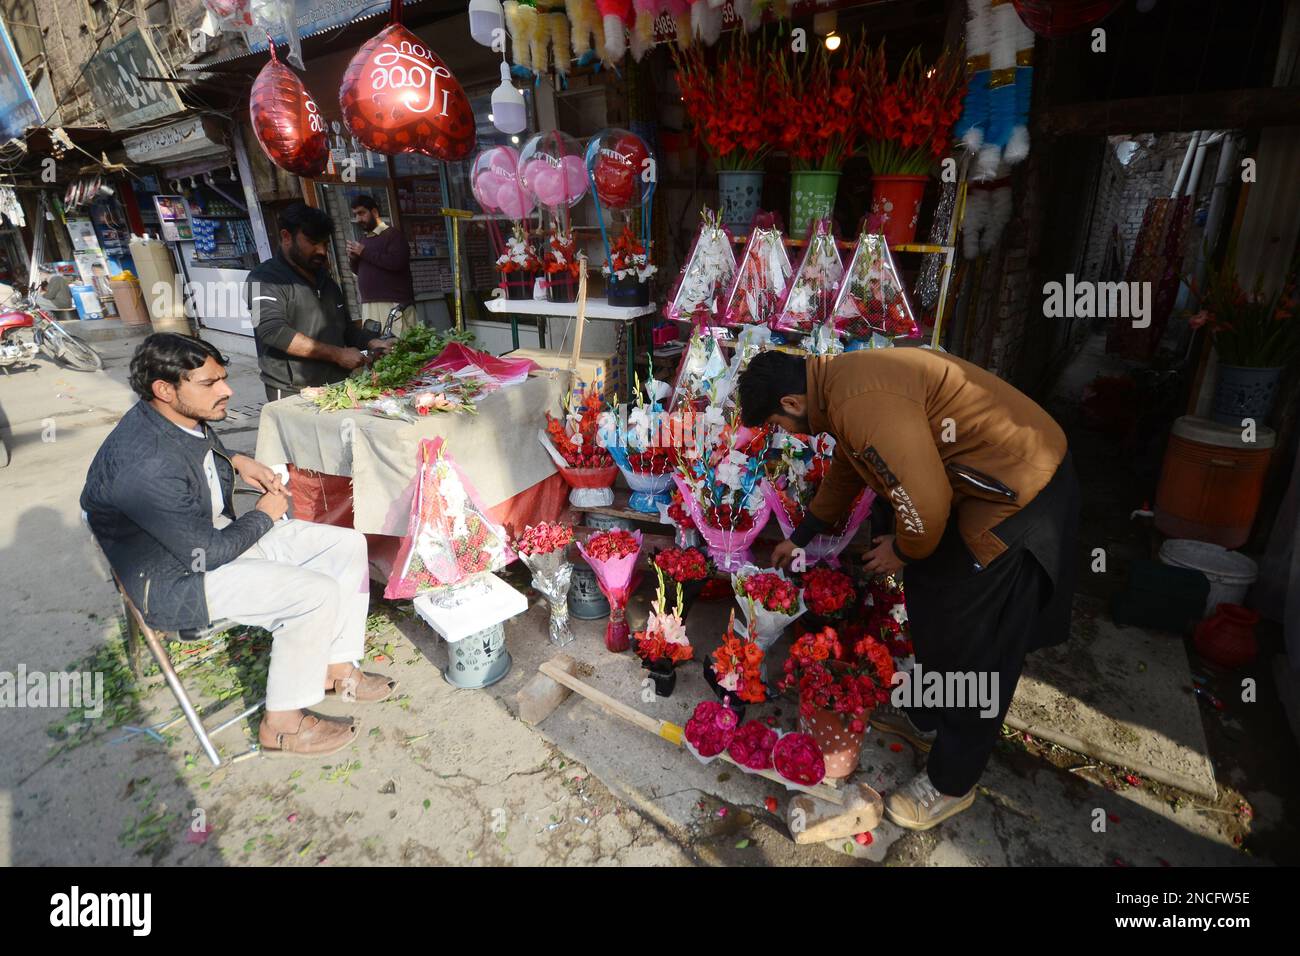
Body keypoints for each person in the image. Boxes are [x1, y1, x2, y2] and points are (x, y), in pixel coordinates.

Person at [738, 348, 1080, 831]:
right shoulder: (838, 387)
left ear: (792, 402)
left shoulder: (857, 400)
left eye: (778, 423)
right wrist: (804, 532)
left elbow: (927, 504)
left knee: (975, 644)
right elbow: (850, 466)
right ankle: (930, 715)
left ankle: (950, 783)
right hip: (976, 489)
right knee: (933, 605)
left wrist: (902, 550)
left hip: (1020, 492)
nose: (786, 434)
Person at [81, 333, 396, 757]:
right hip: (178, 578)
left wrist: (235, 459)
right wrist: (264, 514)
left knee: (347, 545)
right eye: (210, 384)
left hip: (210, 539)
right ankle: (281, 724)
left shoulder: (171, 416)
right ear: (164, 389)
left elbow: (198, 444)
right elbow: (207, 555)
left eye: (223, 378)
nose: (227, 390)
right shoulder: (145, 463)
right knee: (313, 594)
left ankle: (335, 667)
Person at [246, 202, 390, 402]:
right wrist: (337, 354)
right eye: (313, 242)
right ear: (286, 237)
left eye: (325, 244)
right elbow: (271, 331)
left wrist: (371, 341)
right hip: (292, 391)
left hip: (338, 383)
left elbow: (344, 328)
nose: (322, 251)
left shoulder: (326, 279)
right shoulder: (259, 278)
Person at [346, 194, 416, 337]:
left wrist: (364, 252)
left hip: (393, 303)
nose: (358, 219)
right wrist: (353, 258)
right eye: (355, 215)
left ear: (375, 212)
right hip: (369, 305)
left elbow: (397, 262)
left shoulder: (393, 235)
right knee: (378, 349)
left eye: (362, 213)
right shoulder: (363, 239)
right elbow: (359, 271)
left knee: (400, 347)